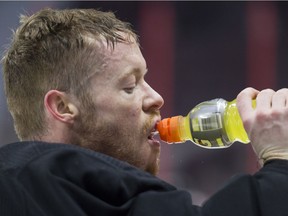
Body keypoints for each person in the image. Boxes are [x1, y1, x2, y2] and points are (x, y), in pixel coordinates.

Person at [1, 7, 288, 216]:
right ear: (63, 107)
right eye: (129, 86)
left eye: (146, 80)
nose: (157, 98)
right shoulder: (41, 183)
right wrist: (280, 163)